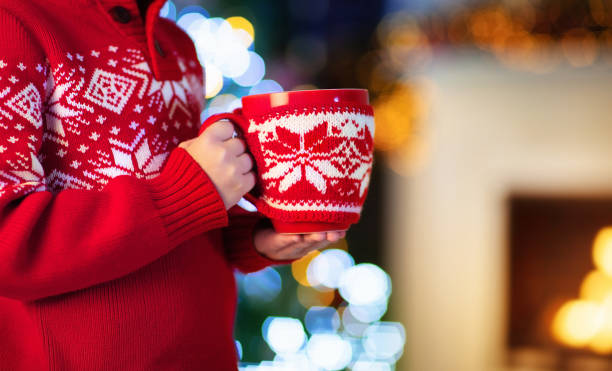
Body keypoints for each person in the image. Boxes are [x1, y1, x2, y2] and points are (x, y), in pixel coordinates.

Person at [0, 0, 345, 369]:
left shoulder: (177, 44)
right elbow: (9, 245)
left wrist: (255, 239)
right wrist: (184, 193)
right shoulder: (14, 26)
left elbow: (180, 222)